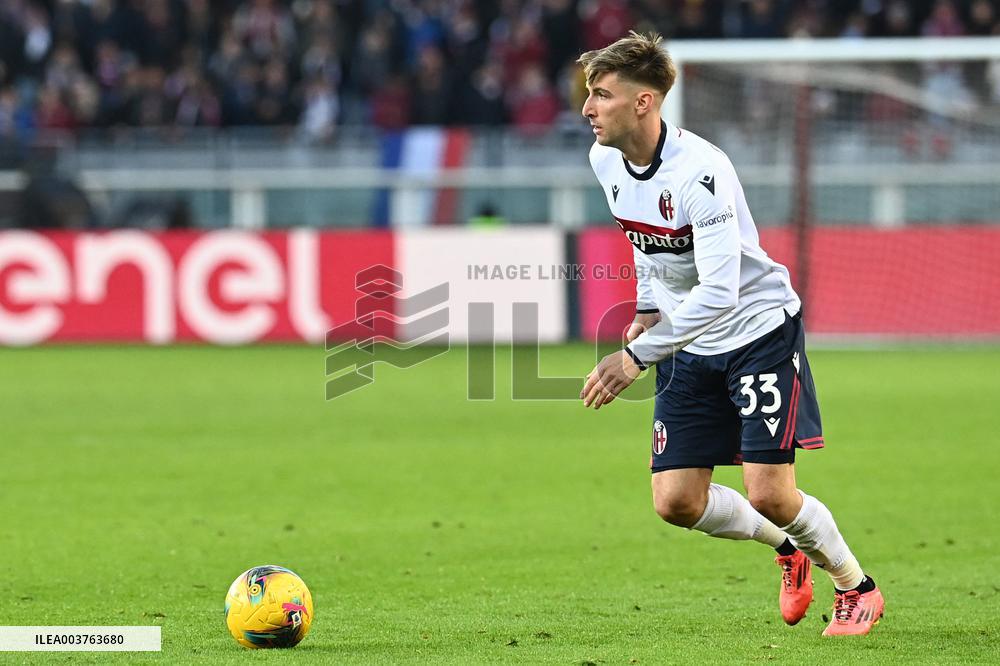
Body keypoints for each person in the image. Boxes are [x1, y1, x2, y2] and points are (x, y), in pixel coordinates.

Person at [577, 32, 884, 636]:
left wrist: (635, 356)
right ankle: (788, 552)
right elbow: (644, 238)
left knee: (771, 492)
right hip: (686, 343)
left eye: (601, 94)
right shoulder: (603, 158)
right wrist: (645, 306)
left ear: (644, 102)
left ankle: (856, 586)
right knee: (676, 503)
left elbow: (721, 292)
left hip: (756, 332)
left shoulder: (705, 172)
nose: (587, 108)